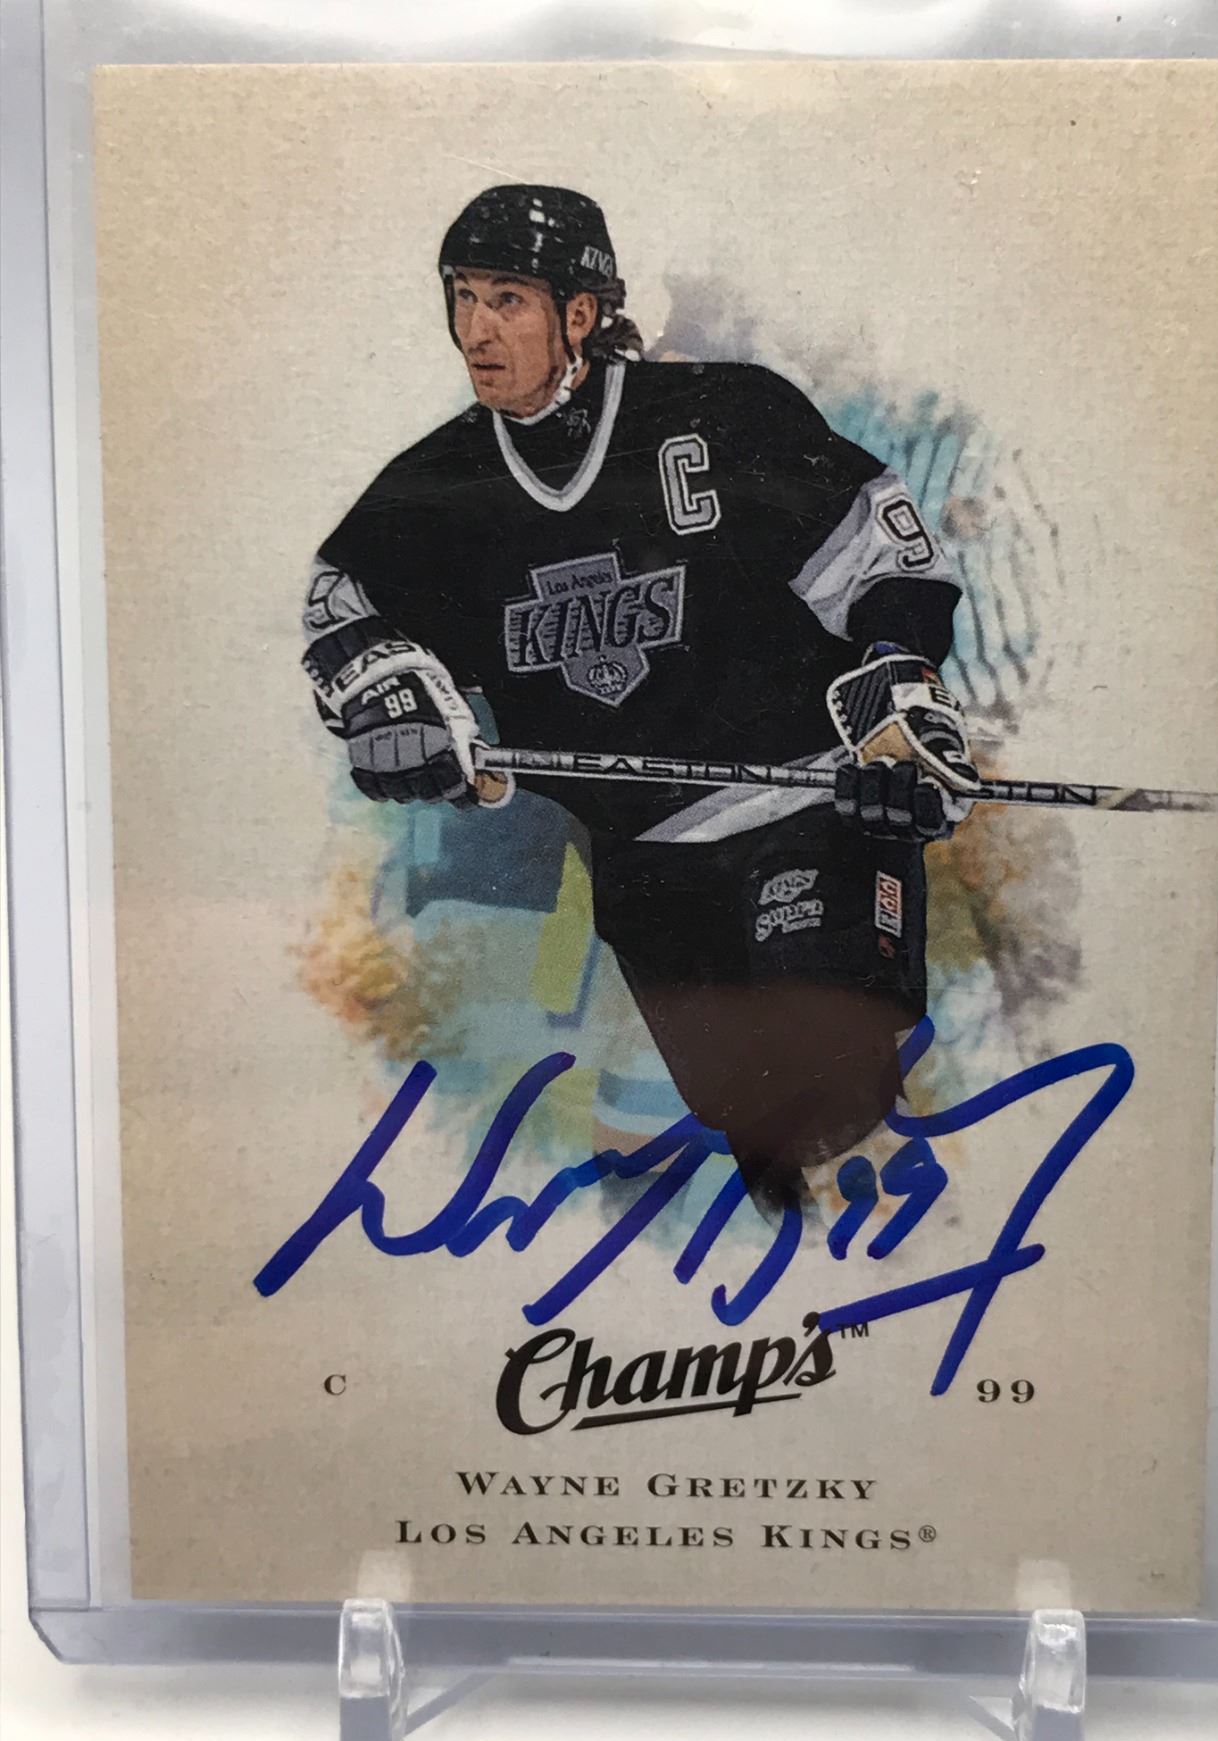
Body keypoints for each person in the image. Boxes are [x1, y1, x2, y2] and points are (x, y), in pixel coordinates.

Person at [302, 185, 978, 1212]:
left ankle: (911, 1262)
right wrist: (387, 692)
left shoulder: (724, 415)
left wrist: (899, 692)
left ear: (581, 312)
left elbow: (889, 562)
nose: (476, 331)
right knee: (767, 1149)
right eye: (463, 298)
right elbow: (342, 607)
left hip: (805, 809)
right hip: (643, 866)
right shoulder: (437, 491)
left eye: (508, 300)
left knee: (835, 1110)